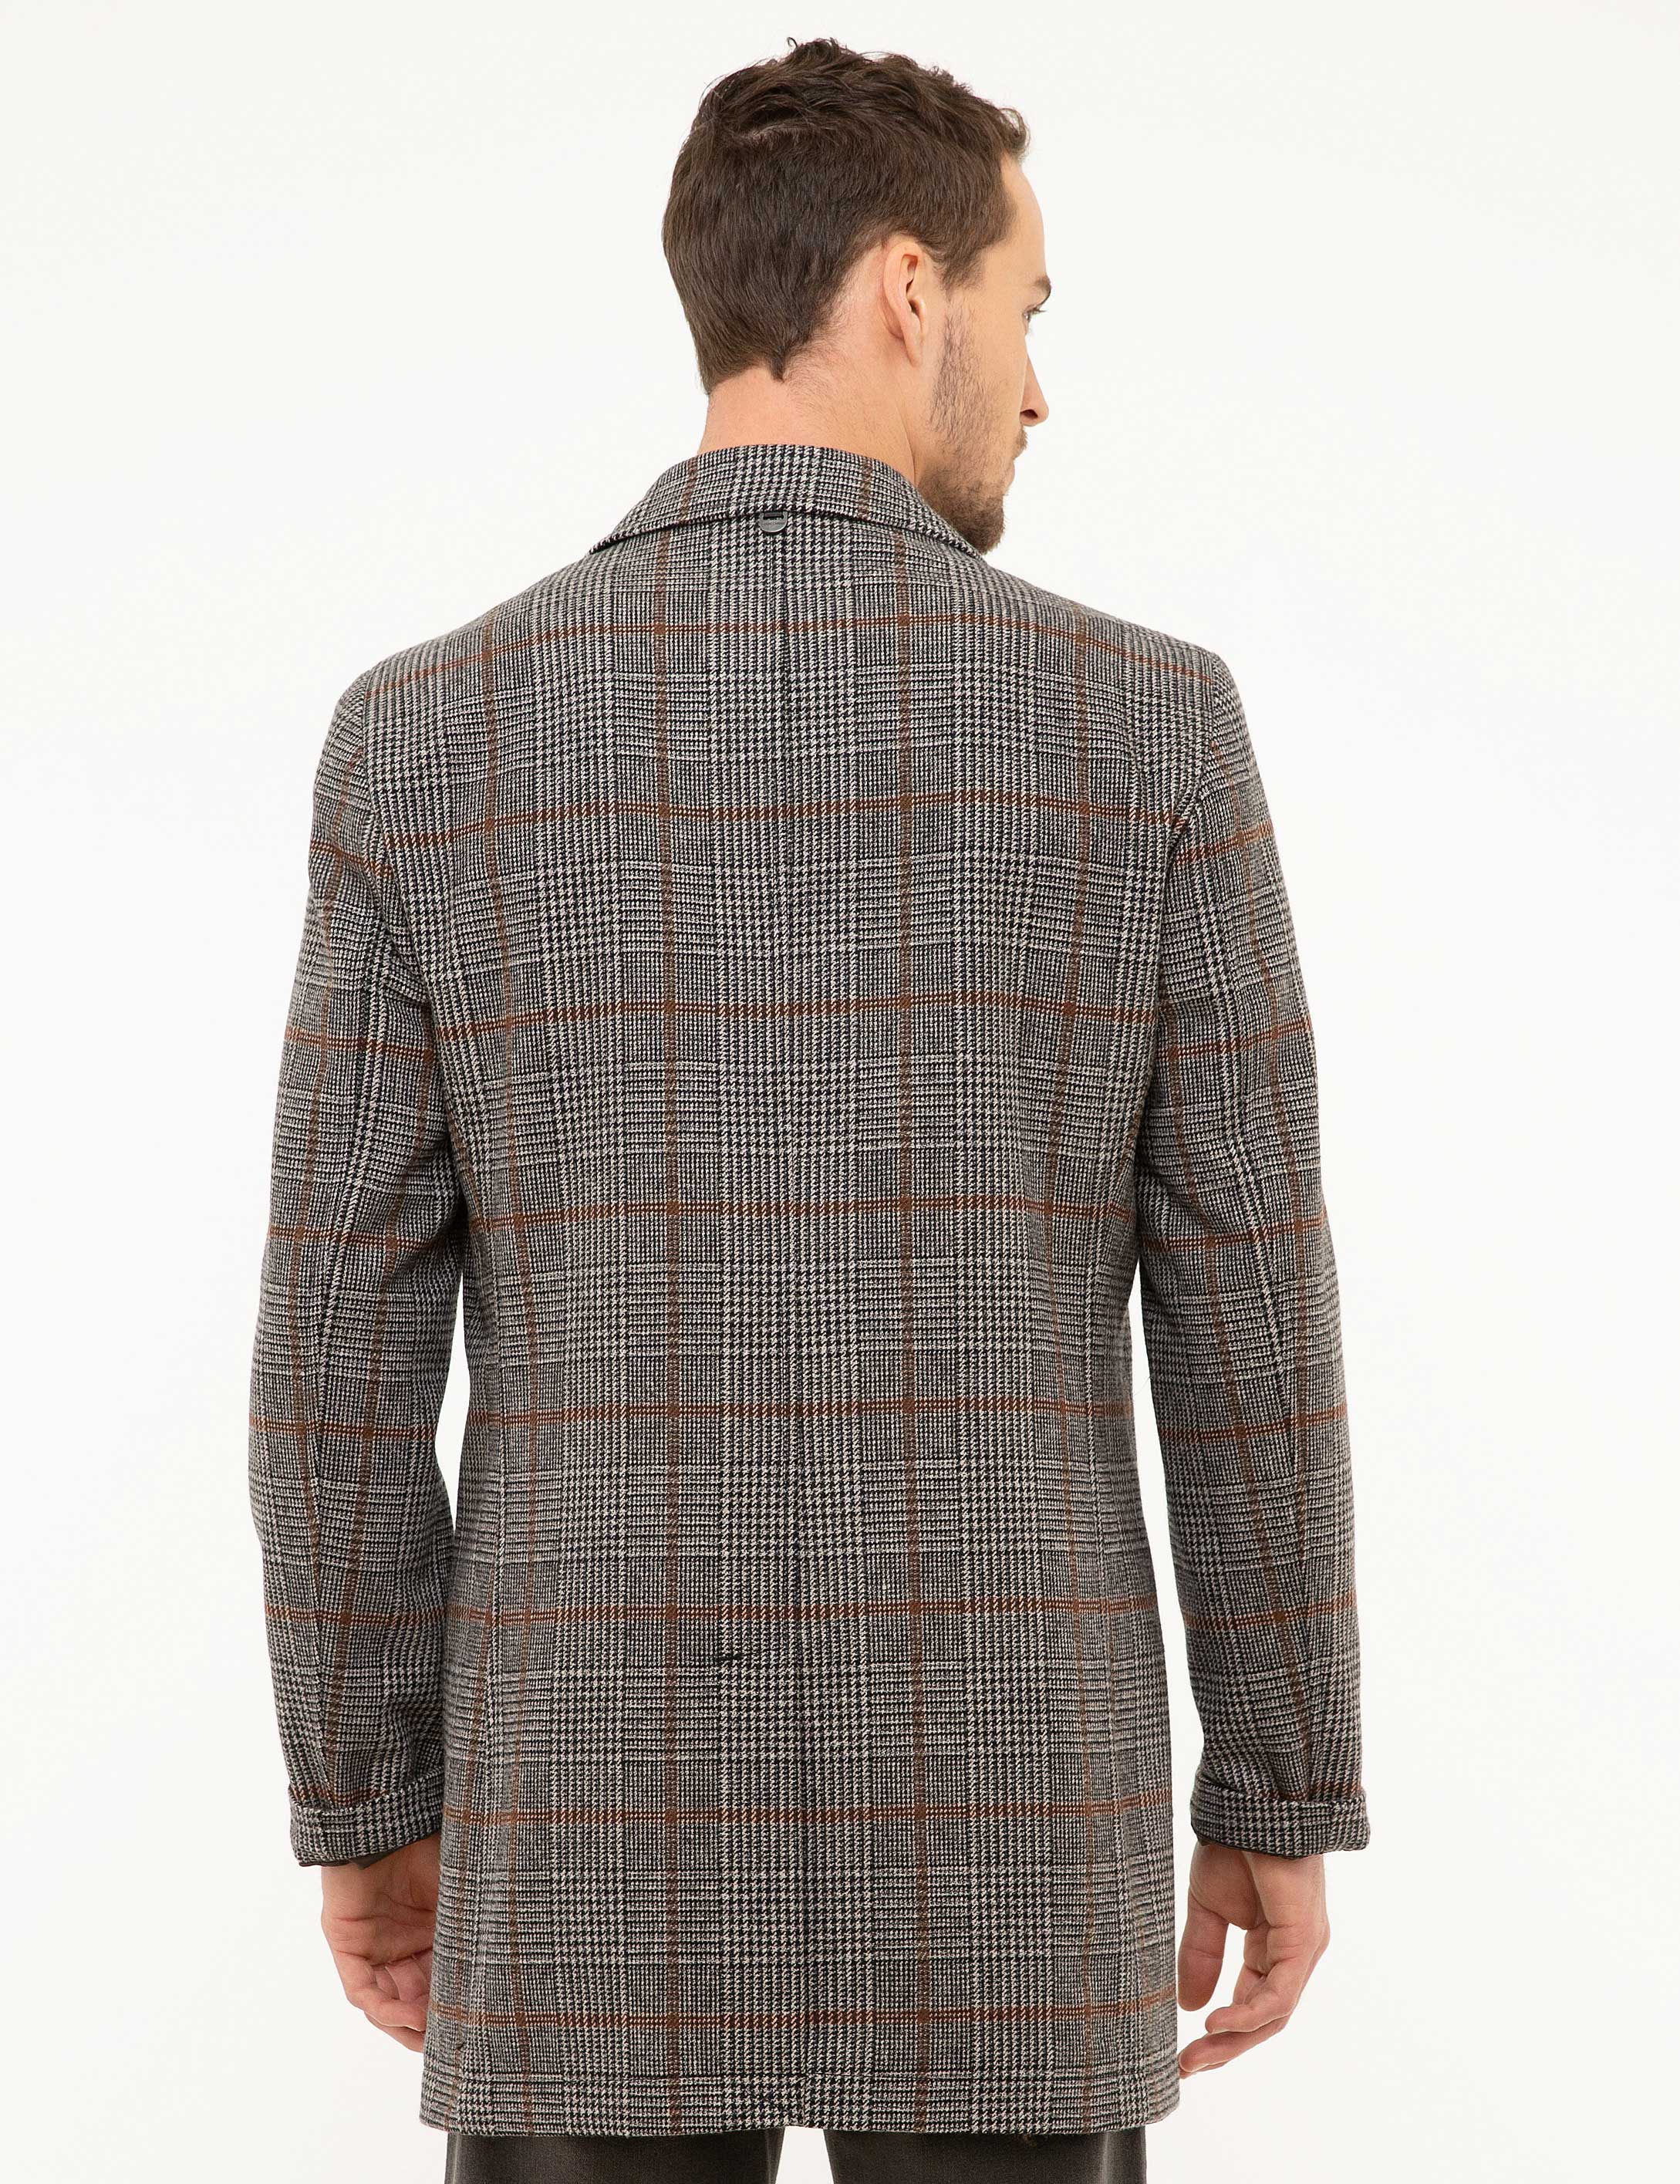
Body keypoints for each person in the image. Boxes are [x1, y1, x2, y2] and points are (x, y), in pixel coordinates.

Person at [247, 35, 1370, 2184]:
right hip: (1010, 1819)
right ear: (906, 290)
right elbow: (1250, 1319)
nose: (1037, 387)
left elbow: (333, 1351)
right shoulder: (1146, 730)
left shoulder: (424, 736)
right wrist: (1277, 1778)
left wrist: (368, 1799)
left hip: (579, 1821)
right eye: (1027, 308)